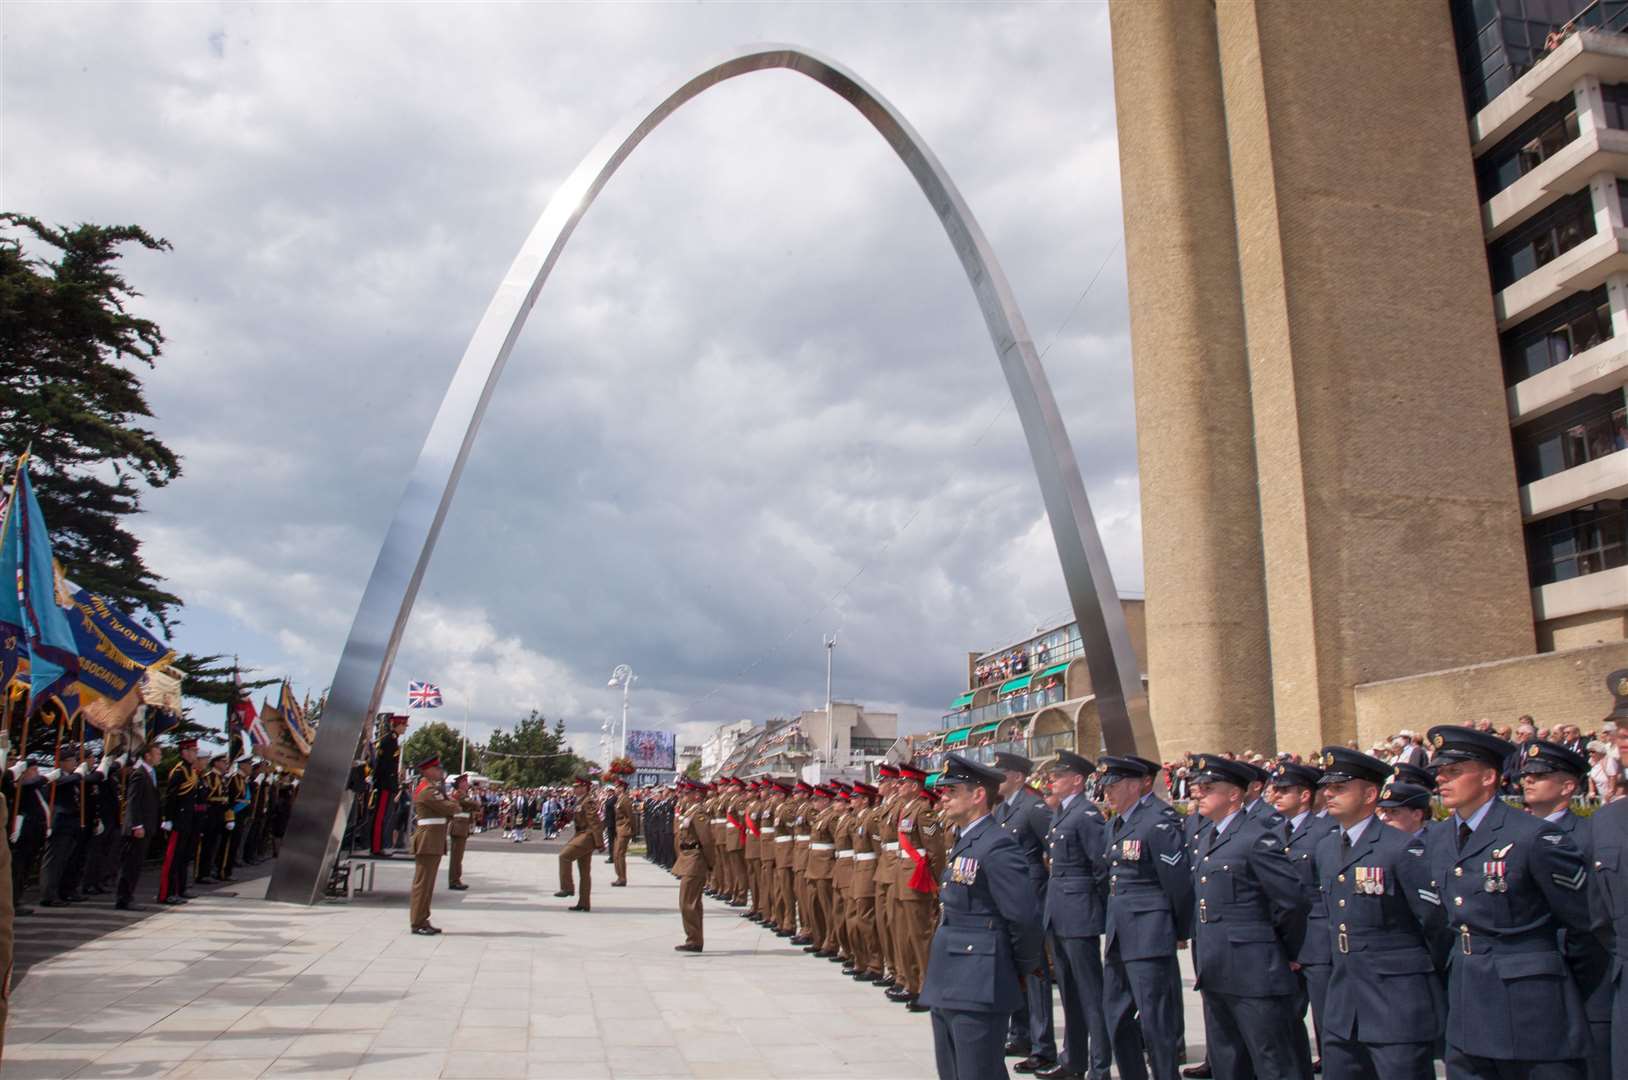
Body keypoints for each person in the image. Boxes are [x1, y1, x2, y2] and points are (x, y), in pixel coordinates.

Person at [1425, 724, 1594, 1078]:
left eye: (1454, 771)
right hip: (1468, 997)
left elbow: (1583, 923)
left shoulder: (1533, 835)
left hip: (1531, 1004)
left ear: (1489, 777)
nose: (1442, 779)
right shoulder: (1438, 838)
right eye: (1440, 772)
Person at [1312, 746, 1446, 1080]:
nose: (1329, 793)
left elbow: (1434, 925)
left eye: (1340, 787)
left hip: (1396, 1003)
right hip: (1345, 1005)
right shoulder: (1326, 848)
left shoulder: (1400, 847)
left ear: (1371, 793)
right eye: (1327, 786)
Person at [919, 753, 1044, 1080]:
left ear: (978, 795)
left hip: (980, 979)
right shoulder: (964, 840)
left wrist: (1016, 967)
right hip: (949, 976)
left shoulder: (997, 845)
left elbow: (1023, 918)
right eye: (943, 792)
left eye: (952, 791)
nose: (943, 798)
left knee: (978, 1072)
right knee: (954, 1071)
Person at [1185, 753, 1309, 1080]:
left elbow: (1292, 902)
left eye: (1208, 787)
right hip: (1216, 968)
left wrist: (1282, 950)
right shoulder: (1207, 838)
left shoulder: (1256, 837)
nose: (1197, 792)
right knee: (1228, 1061)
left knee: (1272, 1061)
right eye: (1197, 786)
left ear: (1234, 795)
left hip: (1254, 969)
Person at [1519, 738, 1614, 1080]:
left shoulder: (1589, 835)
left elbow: (1595, 910)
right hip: (1534, 978)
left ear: (1568, 786)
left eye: (1540, 775)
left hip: (1584, 973)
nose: (1527, 780)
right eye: (1526, 774)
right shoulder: (1513, 835)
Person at [1099, 754, 1192, 1080]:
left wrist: (1179, 930)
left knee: (1156, 1022)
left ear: (1138, 785)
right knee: (1116, 1017)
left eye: (1115, 785)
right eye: (1106, 785)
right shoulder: (1114, 825)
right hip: (1120, 936)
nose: (1107, 791)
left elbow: (1178, 885)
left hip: (1150, 935)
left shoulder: (1158, 821)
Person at [1037, 748, 1112, 1080]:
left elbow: (1100, 865)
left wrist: (1092, 907)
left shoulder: (1086, 814)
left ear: (1077, 781)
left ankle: (1099, 1066)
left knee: (1091, 994)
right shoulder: (1062, 813)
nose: (1051, 781)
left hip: (1078, 913)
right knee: (1068, 992)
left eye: (1058, 776)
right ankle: (1073, 1060)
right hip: (1058, 910)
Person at [1269, 760, 1338, 1076]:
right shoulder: (1271, 833)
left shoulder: (1325, 831)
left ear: (1305, 795)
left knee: (1328, 1020)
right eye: (1276, 789)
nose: (1276, 795)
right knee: (1285, 1018)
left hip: (1317, 937)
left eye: (1285, 790)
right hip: (1284, 937)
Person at [992, 751, 1058, 1074]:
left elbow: (1055, 851)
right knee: (1013, 969)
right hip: (1008, 898)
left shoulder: (1033, 808)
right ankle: (1020, 1033)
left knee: (1035, 973)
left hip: (1032, 898)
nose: (998, 779)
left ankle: (1043, 1045)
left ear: (1018, 776)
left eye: (1002, 773)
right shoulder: (1002, 809)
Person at [407, 755, 459, 936]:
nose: (439, 772)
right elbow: (451, 808)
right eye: (436, 769)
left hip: (432, 839)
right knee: (423, 884)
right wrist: (451, 803)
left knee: (427, 884)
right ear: (428, 770)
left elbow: (449, 806)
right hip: (428, 840)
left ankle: (422, 919)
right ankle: (417, 921)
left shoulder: (432, 788)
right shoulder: (428, 790)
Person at [115, 741, 162, 911]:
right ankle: (123, 899)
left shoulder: (150, 773)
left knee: (136, 865)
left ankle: (128, 896)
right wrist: (137, 825)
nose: (160, 757)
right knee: (130, 865)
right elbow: (133, 802)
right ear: (147, 755)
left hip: (146, 826)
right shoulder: (139, 774)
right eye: (157, 754)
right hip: (137, 828)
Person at [672, 779, 717, 952]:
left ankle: (694, 939)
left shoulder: (699, 812)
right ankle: (695, 939)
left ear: (697, 795)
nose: (684, 795)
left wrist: (711, 863)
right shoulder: (691, 811)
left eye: (687, 792)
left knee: (687, 902)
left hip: (695, 859)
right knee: (691, 902)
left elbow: (706, 840)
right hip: (688, 857)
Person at [157, 738, 201, 905]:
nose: (195, 754)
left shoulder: (191, 770)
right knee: (172, 859)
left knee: (181, 857)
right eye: (193, 751)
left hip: (186, 820)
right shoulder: (179, 771)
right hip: (177, 820)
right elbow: (170, 797)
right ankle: (165, 894)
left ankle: (177, 890)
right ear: (184, 752)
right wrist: (167, 819)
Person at [555, 774, 604, 911]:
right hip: (581, 835)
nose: (574, 789)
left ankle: (567, 888)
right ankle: (584, 903)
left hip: (586, 836)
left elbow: (595, 822)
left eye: (577, 787)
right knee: (584, 872)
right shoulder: (580, 801)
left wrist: (599, 843)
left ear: (585, 787)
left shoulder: (587, 801)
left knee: (564, 856)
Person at [369, 714, 406, 857]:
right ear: (398, 725)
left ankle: (378, 845)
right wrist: (390, 783)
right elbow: (384, 765)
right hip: (385, 783)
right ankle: (376, 847)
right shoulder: (389, 740)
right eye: (403, 726)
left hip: (387, 783)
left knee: (383, 816)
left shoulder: (392, 740)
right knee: (380, 816)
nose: (404, 728)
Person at [447, 773, 477, 891]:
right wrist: (474, 804)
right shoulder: (458, 794)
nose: (467, 784)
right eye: (465, 782)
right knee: (456, 857)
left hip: (462, 827)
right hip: (458, 827)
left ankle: (456, 879)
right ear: (460, 784)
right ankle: (454, 881)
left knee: (458, 857)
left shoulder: (463, 794)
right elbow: (474, 804)